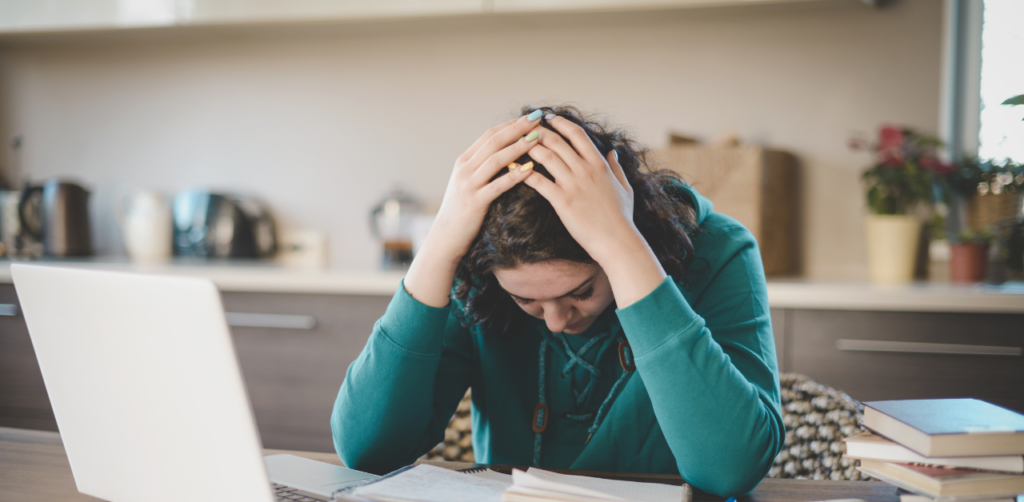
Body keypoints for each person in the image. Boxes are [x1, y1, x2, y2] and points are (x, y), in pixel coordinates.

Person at [331, 106, 784, 497]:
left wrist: (623, 246)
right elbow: (368, 451)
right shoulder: (472, 270)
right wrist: (438, 247)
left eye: (581, 291)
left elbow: (731, 470)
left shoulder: (721, 250)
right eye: (525, 300)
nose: (554, 321)